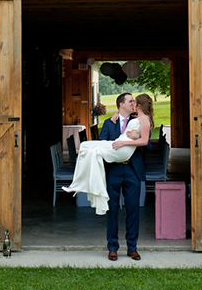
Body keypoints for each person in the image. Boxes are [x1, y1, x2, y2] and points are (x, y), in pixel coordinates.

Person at [65, 92, 151, 261]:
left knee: (133, 209)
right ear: (121, 105)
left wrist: (138, 137)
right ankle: (112, 247)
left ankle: (132, 247)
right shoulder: (109, 123)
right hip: (113, 170)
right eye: (131, 101)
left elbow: (147, 145)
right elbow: (102, 145)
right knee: (111, 208)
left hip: (133, 169)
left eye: (135, 101)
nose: (134, 103)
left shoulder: (140, 119)